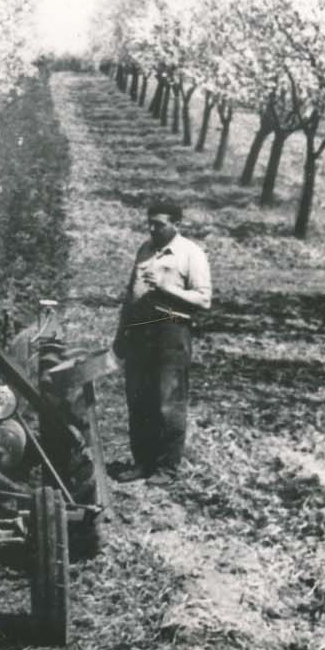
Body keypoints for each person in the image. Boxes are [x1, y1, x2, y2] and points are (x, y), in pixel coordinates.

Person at [112, 197, 212, 485]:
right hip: (140, 332)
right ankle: (142, 463)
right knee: (139, 399)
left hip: (171, 332)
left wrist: (168, 289)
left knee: (168, 401)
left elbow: (203, 299)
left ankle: (166, 468)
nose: (153, 230)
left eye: (160, 225)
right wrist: (121, 334)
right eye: (150, 224)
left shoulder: (190, 254)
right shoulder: (145, 249)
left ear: (177, 225)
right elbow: (130, 295)